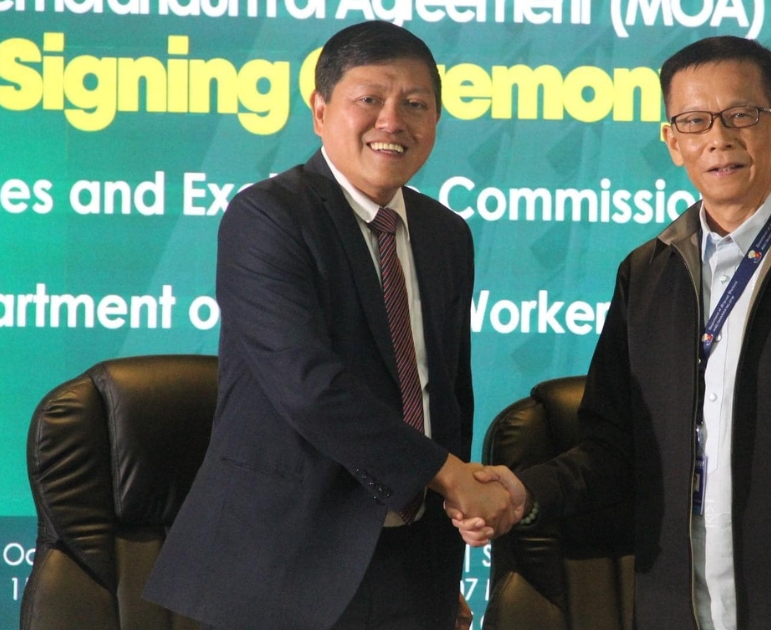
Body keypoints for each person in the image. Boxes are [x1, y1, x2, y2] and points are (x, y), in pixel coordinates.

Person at [455, 36, 771, 630]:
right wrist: (521, 494)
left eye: (741, 115)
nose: (718, 137)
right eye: (694, 120)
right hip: (678, 608)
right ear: (672, 141)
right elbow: (612, 450)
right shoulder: (646, 274)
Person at [144, 21, 520, 630]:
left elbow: (443, 396)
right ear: (320, 111)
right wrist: (451, 477)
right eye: (369, 99)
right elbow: (310, 386)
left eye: (416, 105)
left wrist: (440, 564)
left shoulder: (446, 234)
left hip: (410, 563)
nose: (392, 121)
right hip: (283, 566)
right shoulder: (268, 217)